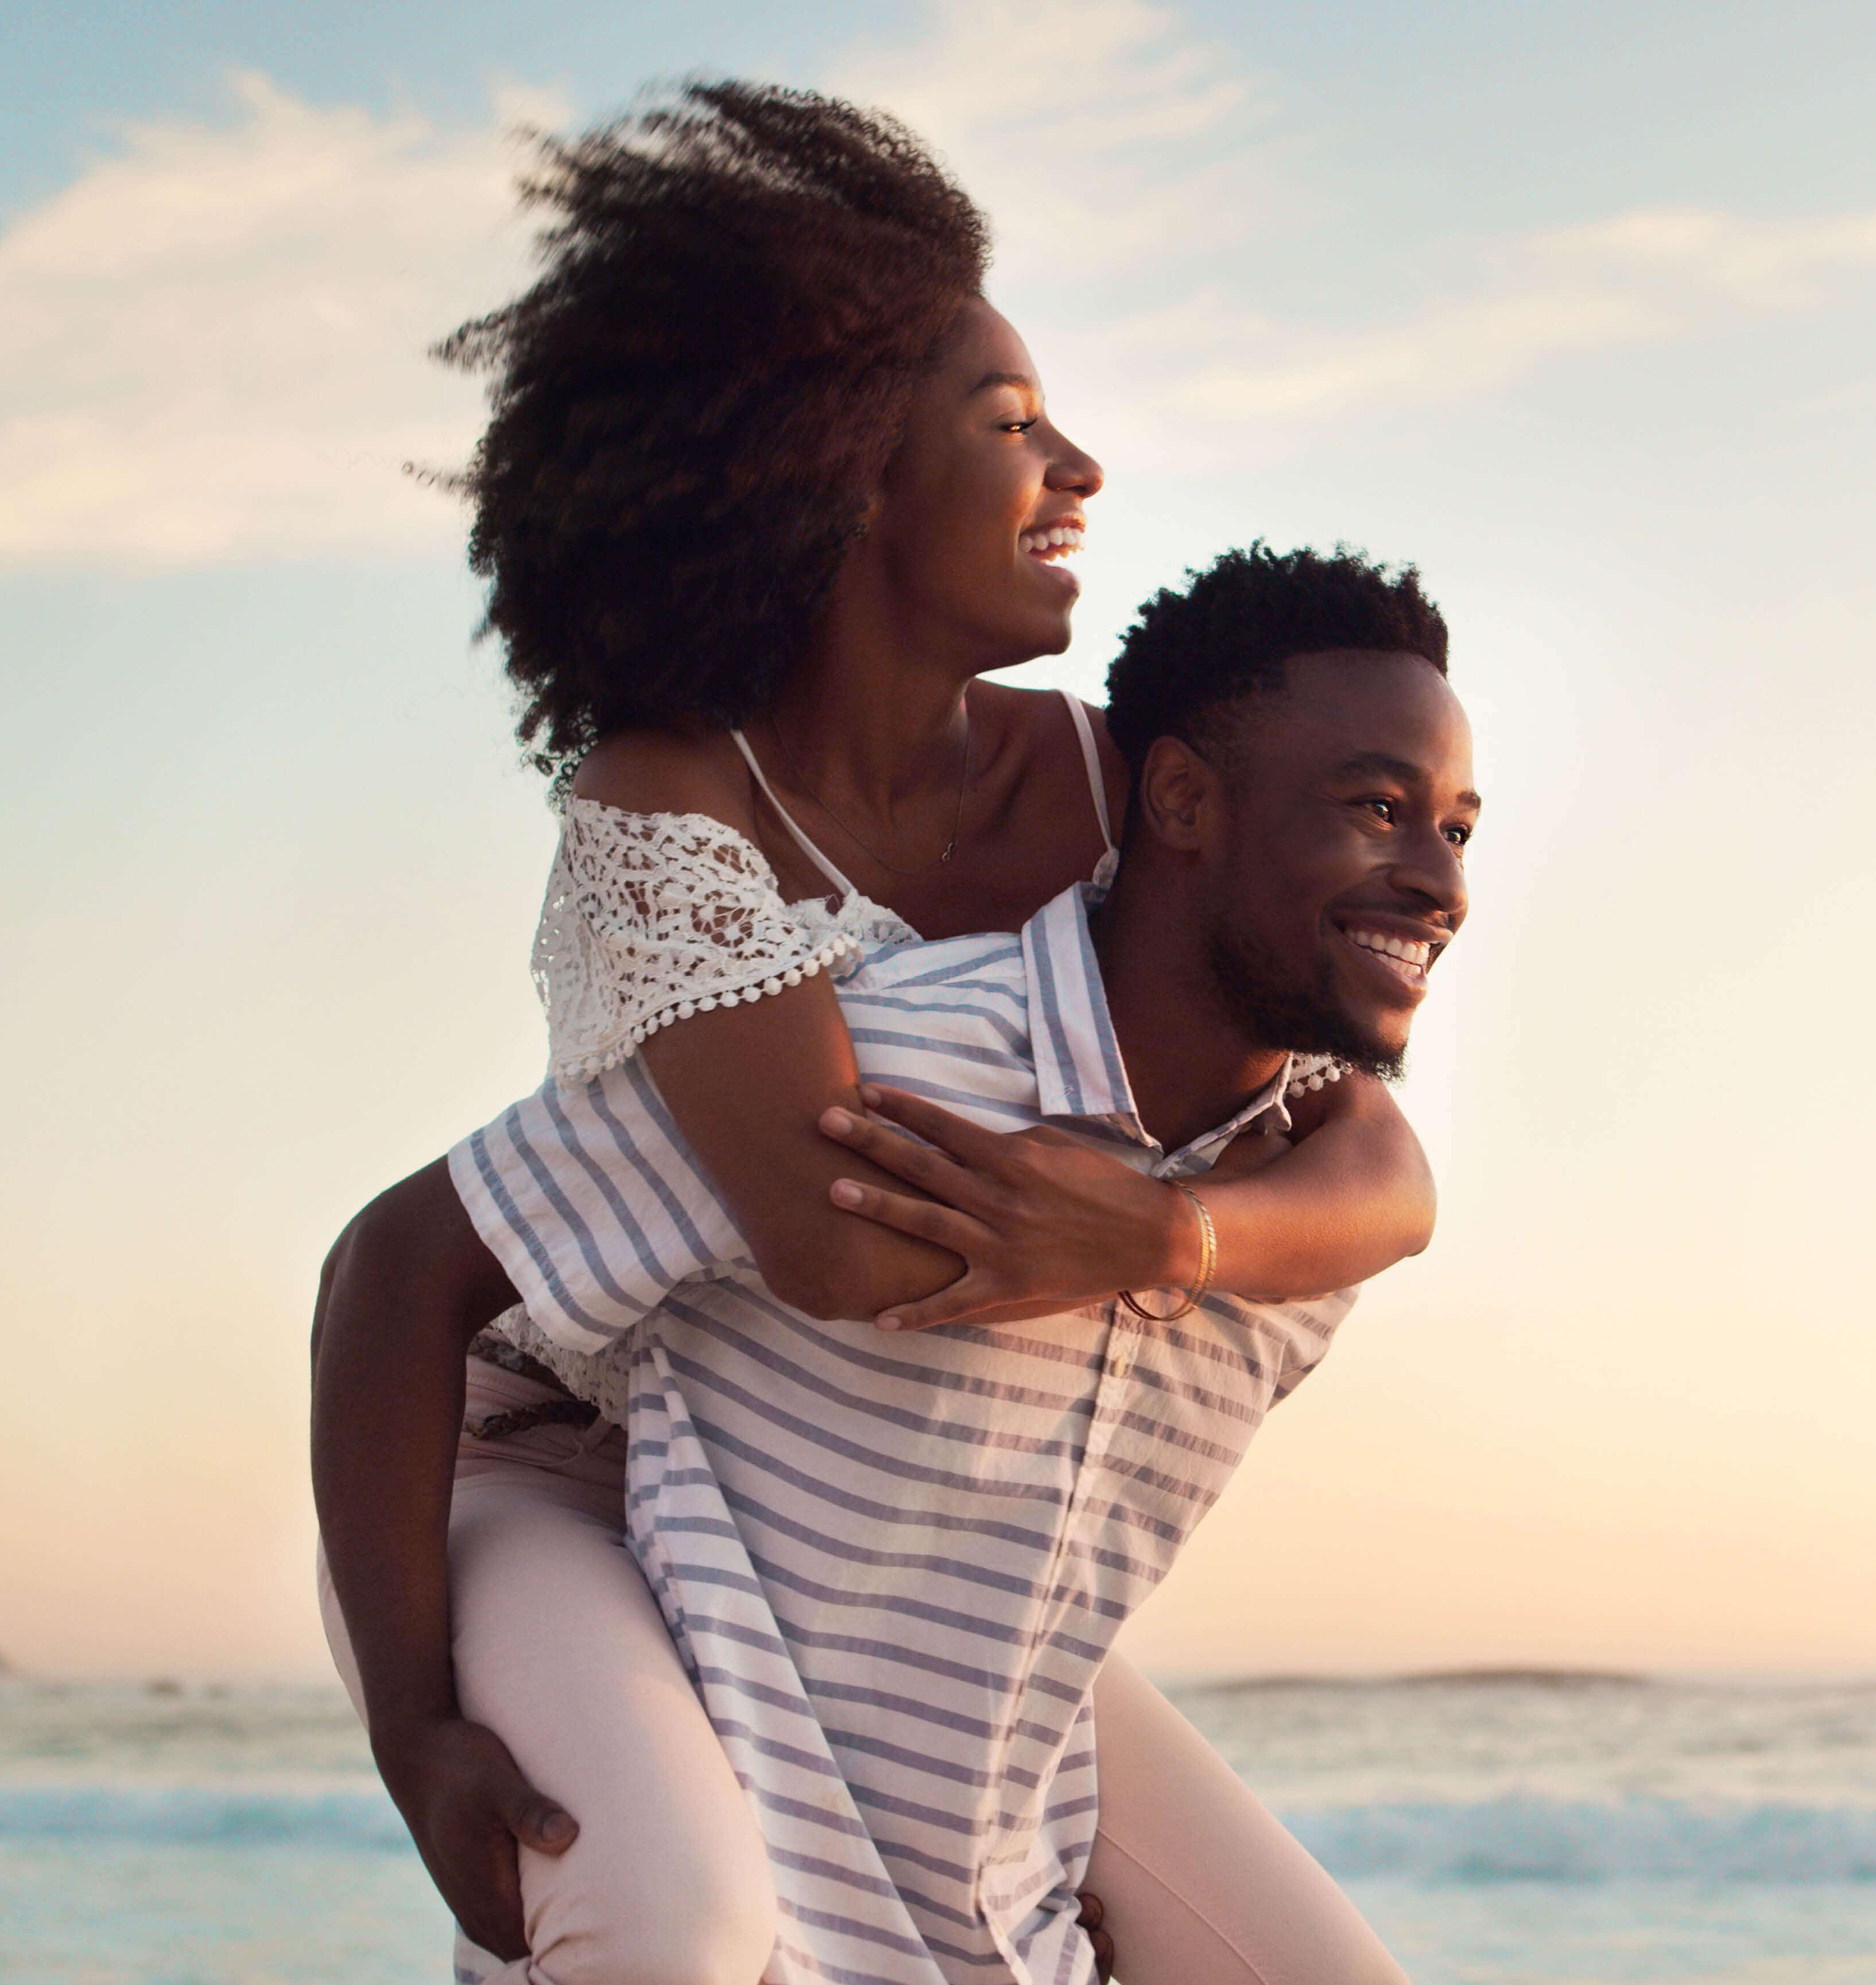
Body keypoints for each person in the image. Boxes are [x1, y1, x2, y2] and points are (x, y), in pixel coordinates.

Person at [312, 81, 1435, 1983]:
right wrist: (413, 1720)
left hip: (845, 1513)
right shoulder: (671, 805)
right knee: (667, 1920)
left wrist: (1173, 1237)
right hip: (549, 1460)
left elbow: (1370, 1153)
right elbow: (825, 1241)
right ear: (841, 469)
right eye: (1009, 428)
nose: (1077, 465)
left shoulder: (1110, 785)